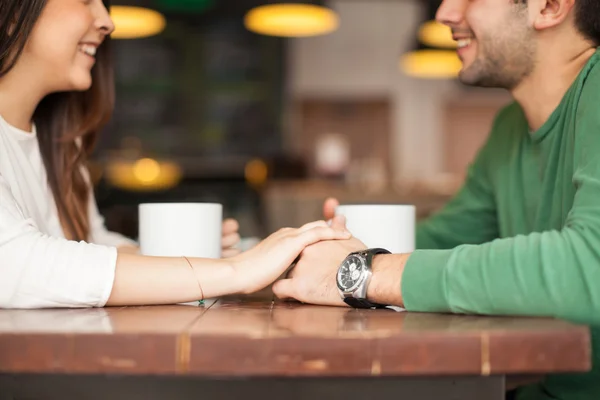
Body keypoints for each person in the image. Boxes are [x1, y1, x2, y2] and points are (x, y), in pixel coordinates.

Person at [273, 0, 600, 399]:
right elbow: (443, 239)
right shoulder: (509, 128)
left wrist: (365, 274)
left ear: (549, 6)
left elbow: (591, 264)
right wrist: (309, 249)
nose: (445, 12)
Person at [0, 0, 352, 309]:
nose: (107, 20)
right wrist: (236, 272)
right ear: (14, 10)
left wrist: (196, 257)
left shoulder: (61, 142)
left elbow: (92, 244)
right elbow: (15, 263)